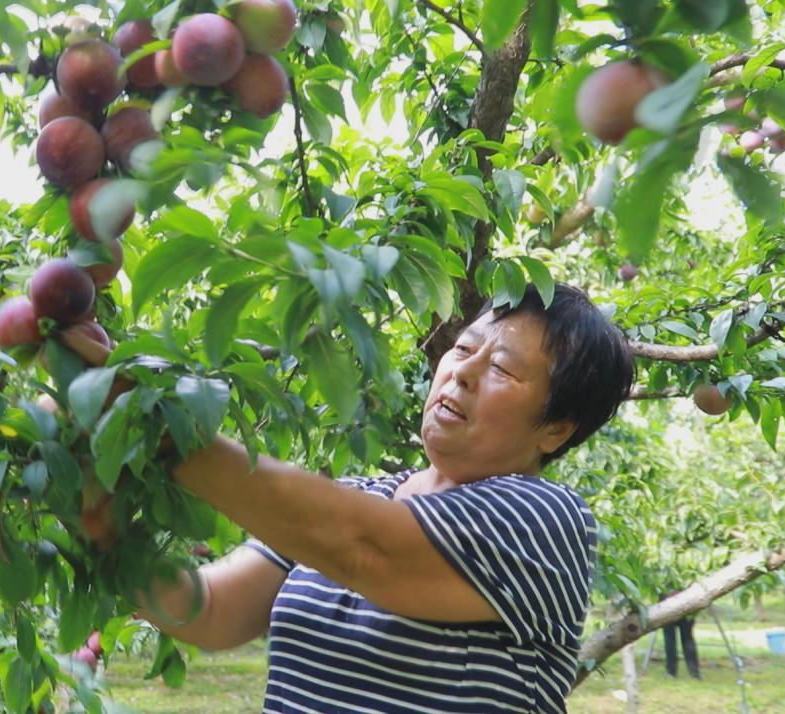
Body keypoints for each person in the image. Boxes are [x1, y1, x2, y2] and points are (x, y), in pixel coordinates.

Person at [57, 284, 633, 713]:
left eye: (503, 368)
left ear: (555, 429)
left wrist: (151, 420)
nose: (461, 373)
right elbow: (209, 610)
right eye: (463, 348)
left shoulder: (546, 519)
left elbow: (363, 549)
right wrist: (101, 525)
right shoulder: (354, 497)